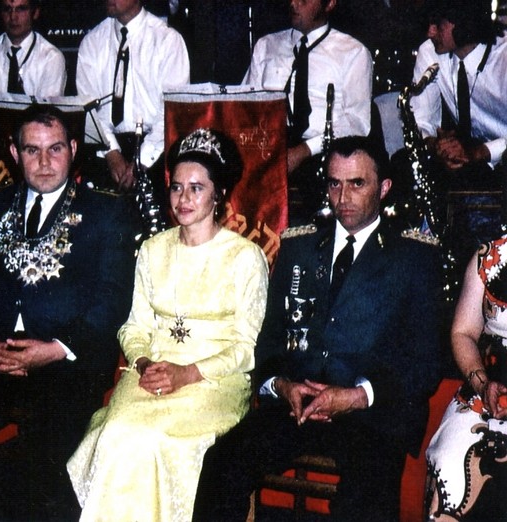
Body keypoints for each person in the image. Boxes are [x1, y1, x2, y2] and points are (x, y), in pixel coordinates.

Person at [192, 136, 443, 521]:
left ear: (384, 188)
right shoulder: (299, 246)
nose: (343, 196)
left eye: (357, 183)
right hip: (298, 405)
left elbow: (424, 361)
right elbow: (269, 339)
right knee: (222, 462)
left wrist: (356, 396)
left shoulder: (414, 258)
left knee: (365, 496)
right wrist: (281, 385)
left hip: (370, 412)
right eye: (334, 183)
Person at [67, 128, 269, 522]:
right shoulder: (152, 248)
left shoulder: (246, 257)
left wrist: (187, 372)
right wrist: (144, 364)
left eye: (196, 188)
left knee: (158, 440)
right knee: (118, 434)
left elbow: (247, 348)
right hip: (152, 372)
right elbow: (133, 327)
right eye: (176, 187)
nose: (183, 199)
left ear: (219, 193)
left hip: (214, 380)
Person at [0, 104, 140, 520]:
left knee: (42, 464)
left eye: (55, 148)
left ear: (73, 149)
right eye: (32, 150)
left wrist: (54, 349)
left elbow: (112, 300)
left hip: (68, 361)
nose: (44, 162)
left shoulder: (105, 212)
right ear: (14, 152)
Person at [242, 0, 372, 221]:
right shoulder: (266, 46)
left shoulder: (353, 52)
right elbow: (246, 104)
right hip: (268, 146)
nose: (293, 3)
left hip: (321, 151)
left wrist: (304, 150)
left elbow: (357, 123)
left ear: (329, 4)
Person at [425, 238, 507, 520]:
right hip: (489, 388)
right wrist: (483, 385)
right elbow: (463, 333)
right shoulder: (489, 257)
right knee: (451, 462)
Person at [76, 0, 189, 198]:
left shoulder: (167, 40)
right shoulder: (92, 42)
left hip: (155, 152)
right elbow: (88, 107)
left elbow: (171, 111)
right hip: (106, 150)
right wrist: (111, 153)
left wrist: (141, 160)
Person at [409, 0, 506, 180]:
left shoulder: (504, 57)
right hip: (469, 165)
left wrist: (481, 152)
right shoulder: (430, 52)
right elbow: (420, 122)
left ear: (463, 20)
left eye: (438, 25)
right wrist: (437, 146)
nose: (430, 32)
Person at [0, 0, 66, 97]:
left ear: (35, 13)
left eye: (21, 9)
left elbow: (47, 106)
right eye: (7, 9)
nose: (13, 17)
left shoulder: (51, 57)